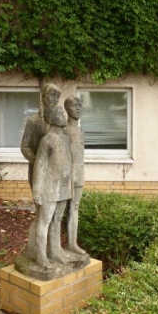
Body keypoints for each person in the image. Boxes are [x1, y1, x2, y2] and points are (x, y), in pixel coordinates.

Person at [20, 83, 61, 258]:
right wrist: (38, 162)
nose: (54, 99)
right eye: (52, 95)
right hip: (39, 173)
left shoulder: (59, 120)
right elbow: (25, 146)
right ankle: (35, 250)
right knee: (42, 213)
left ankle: (54, 249)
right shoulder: (34, 121)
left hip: (56, 176)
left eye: (57, 96)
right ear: (43, 96)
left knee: (55, 215)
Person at [31, 105, 72, 269]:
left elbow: (68, 163)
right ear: (52, 118)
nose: (64, 115)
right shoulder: (47, 140)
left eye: (64, 113)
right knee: (44, 221)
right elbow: (39, 165)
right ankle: (41, 255)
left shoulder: (66, 138)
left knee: (57, 220)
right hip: (49, 187)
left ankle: (56, 251)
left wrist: (69, 184)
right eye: (60, 113)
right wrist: (37, 190)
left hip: (63, 186)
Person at [64, 96, 87, 255]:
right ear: (66, 108)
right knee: (58, 211)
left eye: (80, 105)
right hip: (65, 174)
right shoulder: (63, 130)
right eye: (74, 105)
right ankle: (55, 247)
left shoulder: (80, 130)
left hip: (79, 172)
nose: (78, 108)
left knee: (75, 207)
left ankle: (72, 243)